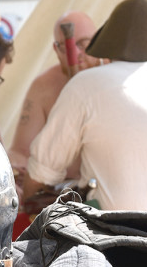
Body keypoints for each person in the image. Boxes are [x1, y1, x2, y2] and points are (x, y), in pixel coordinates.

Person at [23, 0, 147, 252]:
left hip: (121, 239)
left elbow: (40, 174)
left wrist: (29, 204)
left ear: (107, 44)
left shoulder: (85, 84)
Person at [7, 11, 102, 183]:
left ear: (98, 40)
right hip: (61, 189)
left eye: (84, 44)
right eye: (67, 47)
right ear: (56, 50)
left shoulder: (114, 78)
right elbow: (21, 151)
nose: (76, 54)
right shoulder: (44, 86)